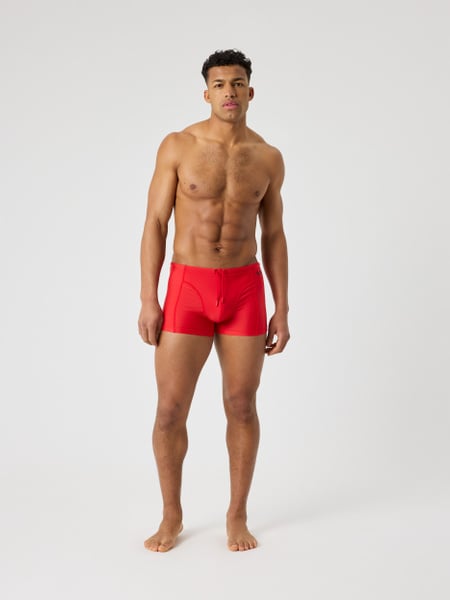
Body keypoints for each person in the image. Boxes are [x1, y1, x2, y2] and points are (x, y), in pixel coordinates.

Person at [138, 49, 290, 552]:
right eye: (220, 84)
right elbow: (155, 223)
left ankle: (237, 515)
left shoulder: (267, 157)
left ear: (251, 92)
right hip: (188, 288)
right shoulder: (178, 146)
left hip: (245, 290)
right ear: (206, 93)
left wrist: (282, 307)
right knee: (169, 410)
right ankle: (171, 515)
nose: (229, 91)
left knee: (242, 405)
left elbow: (274, 235)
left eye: (238, 83)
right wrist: (149, 298)